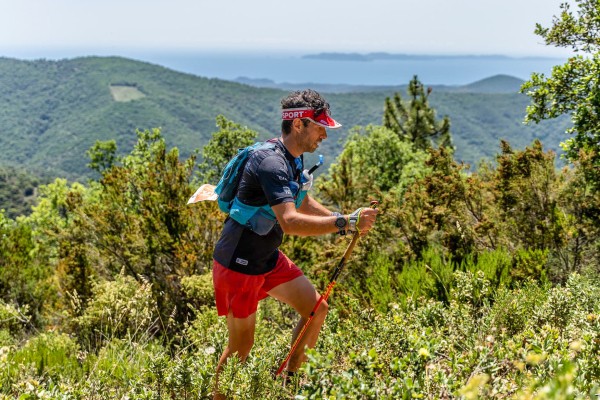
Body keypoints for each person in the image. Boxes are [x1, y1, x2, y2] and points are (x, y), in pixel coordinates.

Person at [211, 89, 378, 398]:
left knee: (316, 309)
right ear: (299, 123)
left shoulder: (292, 159)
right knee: (240, 351)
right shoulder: (271, 163)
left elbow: (301, 199)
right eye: (320, 126)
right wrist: (346, 223)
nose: (324, 135)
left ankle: (288, 383)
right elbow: (289, 220)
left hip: (267, 258)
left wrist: (340, 220)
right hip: (238, 264)